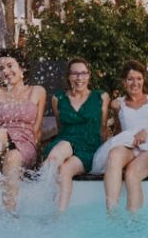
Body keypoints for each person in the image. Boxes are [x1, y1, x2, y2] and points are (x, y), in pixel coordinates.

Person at [91, 61, 148, 212]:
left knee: (132, 173)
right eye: (130, 79)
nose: (135, 83)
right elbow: (120, 131)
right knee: (114, 155)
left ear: (144, 79)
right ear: (124, 82)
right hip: (129, 144)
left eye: (139, 78)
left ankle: (133, 220)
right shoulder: (117, 104)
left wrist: (146, 132)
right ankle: (111, 213)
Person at [0, 48, 47, 214]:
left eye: (9, 65)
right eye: (1, 68)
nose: (5, 71)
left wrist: (39, 159)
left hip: (25, 143)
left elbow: (37, 129)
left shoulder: (37, 91)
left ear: (22, 68)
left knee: (13, 156)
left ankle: (9, 214)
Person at [40, 58, 109, 212]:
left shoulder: (101, 97)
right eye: (75, 74)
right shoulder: (58, 98)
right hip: (64, 143)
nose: (79, 78)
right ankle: (47, 207)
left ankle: (59, 214)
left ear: (89, 75)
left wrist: (105, 156)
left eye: (83, 73)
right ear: (69, 76)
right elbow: (60, 127)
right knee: (59, 151)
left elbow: (103, 129)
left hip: (89, 147)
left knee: (65, 170)